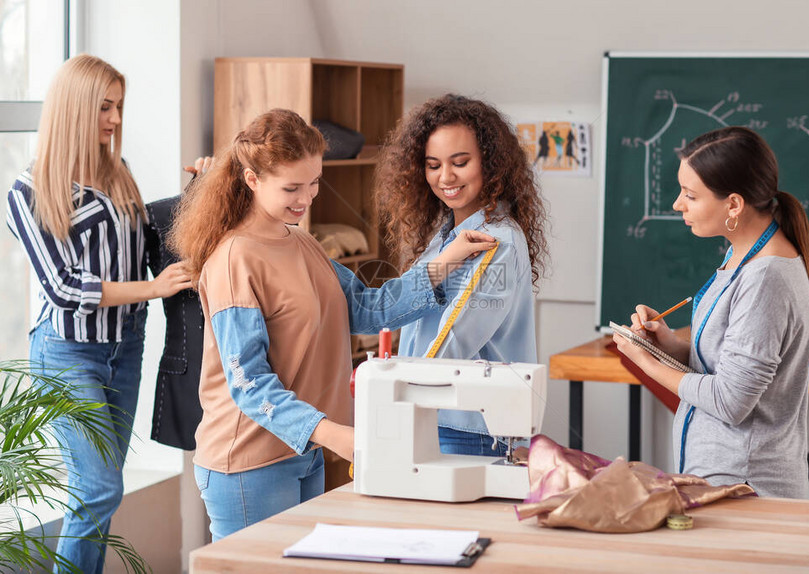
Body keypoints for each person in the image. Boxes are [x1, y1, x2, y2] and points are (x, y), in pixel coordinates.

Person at [168, 108, 496, 541]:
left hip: (306, 451)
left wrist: (444, 262)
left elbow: (369, 309)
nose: (305, 199)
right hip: (249, 461)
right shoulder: (235, 261)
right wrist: (335, 434)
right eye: (291, 188)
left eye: (314, 183)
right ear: (252, 180)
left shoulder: (302, 242)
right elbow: (249, 384)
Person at [5, 54, 192, 573]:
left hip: (125, 347)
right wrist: (153, 288)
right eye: (103, 107)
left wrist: (199, 190)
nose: (114, 119)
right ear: (73, 108)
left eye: (119, 106)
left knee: (97, 494)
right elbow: (64, 287)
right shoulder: (29, 190)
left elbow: (147, 238)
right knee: (99, 487)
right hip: (67, 355)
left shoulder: (119, 173)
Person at [613, 126, 809, 499]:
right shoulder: (742, 252)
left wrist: (647, 363)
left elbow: (729, 400)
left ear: (734, 205)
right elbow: (723, 365)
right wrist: (668, 343)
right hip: (723, 477)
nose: (677, 204)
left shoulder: (765, 277)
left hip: (744, 485)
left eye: (690, 195)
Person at [373, 93, 549, 456]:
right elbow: (406, 308)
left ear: (491, 163)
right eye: (433, 164)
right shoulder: (446, 235)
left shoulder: (495, 240)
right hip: (432, 414)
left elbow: (453, 339)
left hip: (467, 426)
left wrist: (391, 392)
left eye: (460, 162)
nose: (445, 177)